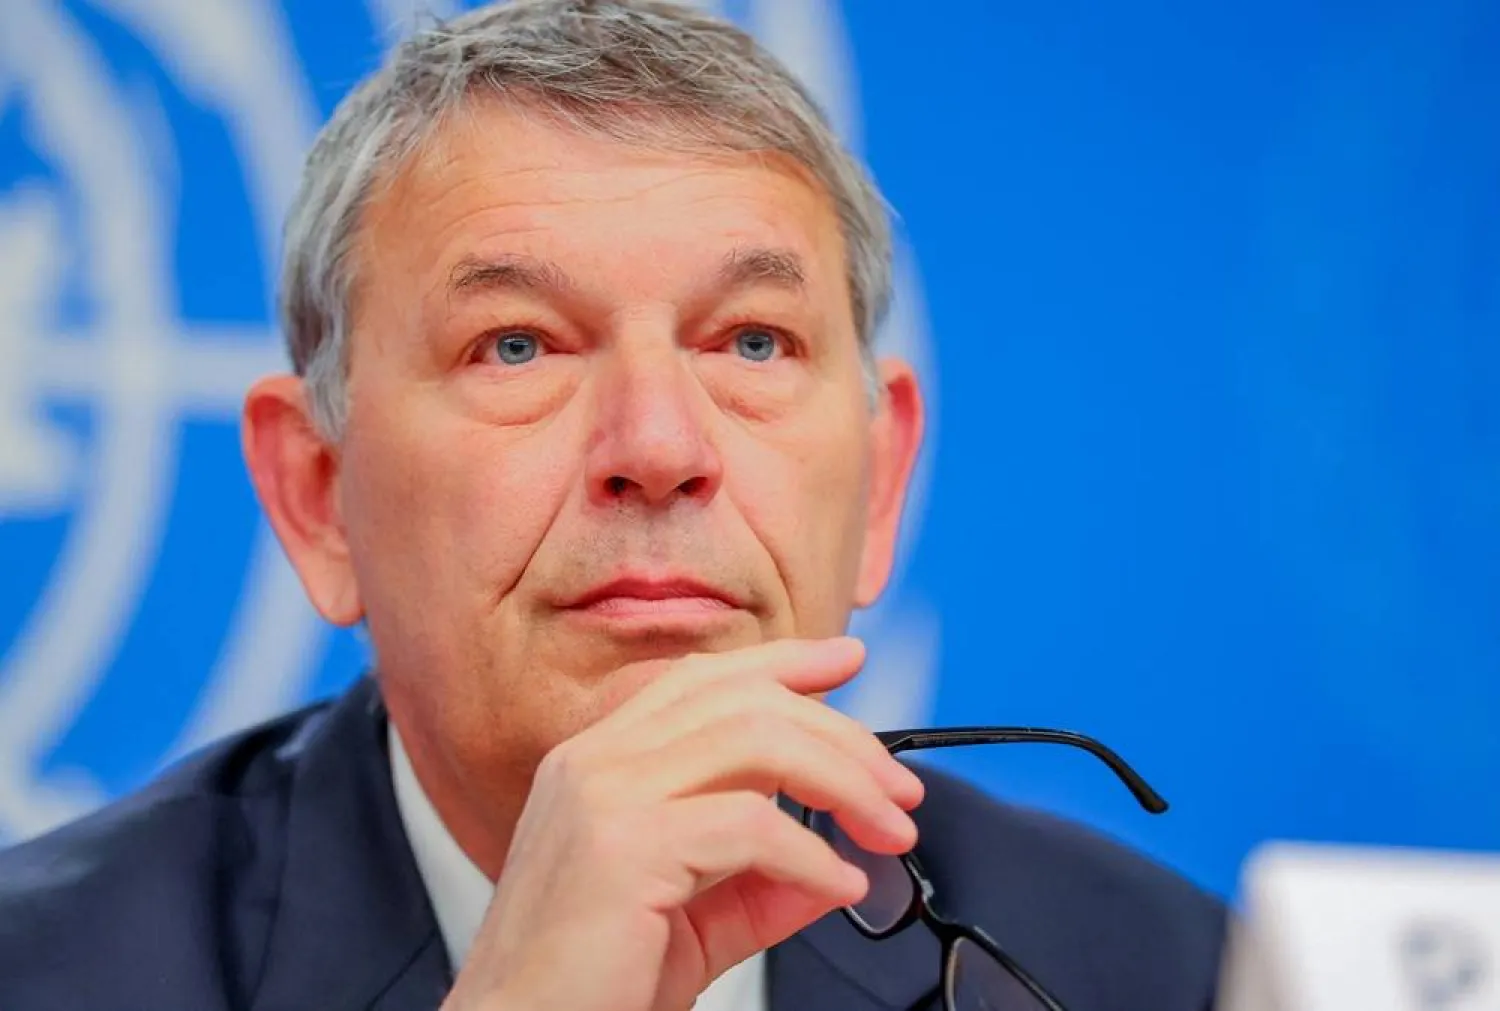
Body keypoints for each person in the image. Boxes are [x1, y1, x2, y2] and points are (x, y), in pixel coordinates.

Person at [0, 2, 1226, 1008]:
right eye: (518, 346)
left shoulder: (1157, 970)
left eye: (751, 342)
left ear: (882, 478)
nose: (658, 446)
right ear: (318, 496)